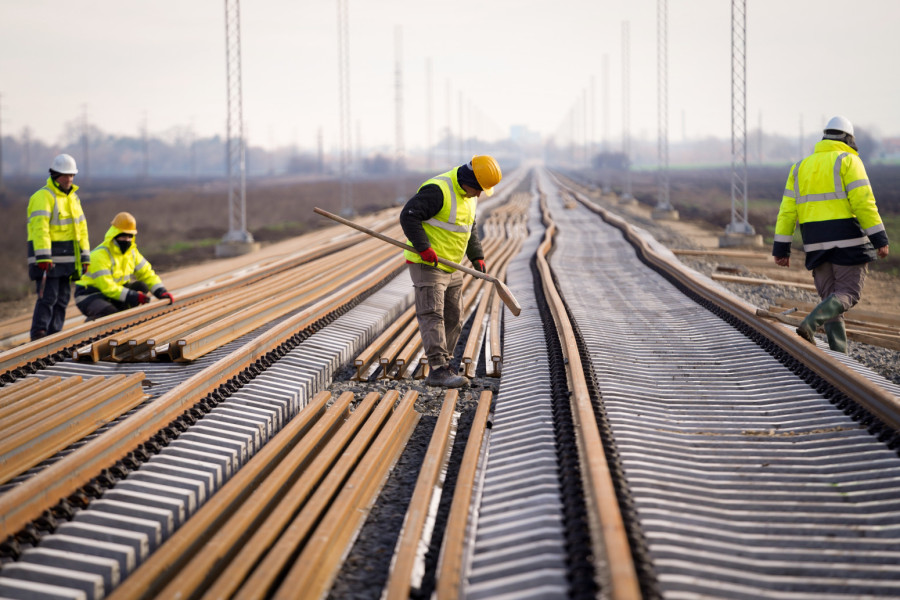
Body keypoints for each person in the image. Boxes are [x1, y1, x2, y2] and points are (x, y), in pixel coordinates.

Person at [772, 115, 890, 353]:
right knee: (848, 293)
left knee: (831, 299)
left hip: (815, 243)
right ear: (848, 138)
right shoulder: (848, 160)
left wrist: (781, 249)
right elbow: (864, 203)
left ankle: (839, 353)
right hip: (848, 241)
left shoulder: (799, 167)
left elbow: (786, 212)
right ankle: (811, 323)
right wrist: (880, 239)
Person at [400, 155, 502, 387]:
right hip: (427, 263)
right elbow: (409, 216)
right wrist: (424, 248)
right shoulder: (438, 190)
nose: (478, 194)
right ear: (468, 179)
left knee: (454, 315)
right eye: (477, 189)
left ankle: (445, 364)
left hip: (451, 264)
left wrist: (476, 255)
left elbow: (469, 225)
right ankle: (437, 370)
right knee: (432, 314)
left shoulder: (469, 194)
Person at [26, 154, 91, 341]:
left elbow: (82, 230)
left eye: (71, 175)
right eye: (65, 175)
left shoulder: (74, 199)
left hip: (68, 260)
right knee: (48, 298)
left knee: (62, 300)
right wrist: (44, 256)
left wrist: (85, 257)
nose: (69, 179)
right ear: (55, 175)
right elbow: (40, 229)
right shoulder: (43, 197)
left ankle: (54, 337)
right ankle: (39, 336)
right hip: (48, 260)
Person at [74, 211, 174, 319]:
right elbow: (107, 287)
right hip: (89, 295)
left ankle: (122, 315)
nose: (126, 240)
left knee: (141, 286)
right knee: (109, 314)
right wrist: (133, 296)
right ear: (114, 235)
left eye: (129, 236)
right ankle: (92, 325)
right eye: (123, 236)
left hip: (113, 294)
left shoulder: (132, 253)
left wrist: (161, 292)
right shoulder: (99, 256)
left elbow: (147, 274)